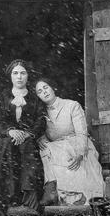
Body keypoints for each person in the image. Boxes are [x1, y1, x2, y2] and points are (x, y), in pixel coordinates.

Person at [0, 59, 47, 216]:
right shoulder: (2, 98)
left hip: (28, 139)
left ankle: (29, 198)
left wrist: (27, 134)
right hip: (7, 139)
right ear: (10, 76)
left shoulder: (35, 99)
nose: (19, 77)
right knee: (8, 146)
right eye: (15, 73)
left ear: (27, 76)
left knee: (29, 148)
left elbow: (41, 121)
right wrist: (10, 131)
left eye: (23, 73)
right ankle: (9, 196)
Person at [34, 77, 105, 206]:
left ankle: (81, 196)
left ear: (52, 87)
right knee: (45, 148)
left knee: (82, 162)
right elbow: (38, 129)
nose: (44, 92)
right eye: (39, 91)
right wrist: (41, 138)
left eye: (45, 87)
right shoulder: (40, 113)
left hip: (77, 144)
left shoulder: (72, 105)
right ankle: (52, 189)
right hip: (57, 148)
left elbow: (81, 132)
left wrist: (80, 152)